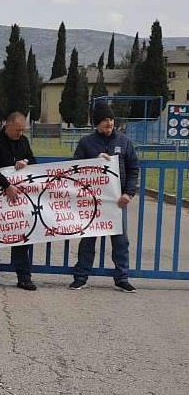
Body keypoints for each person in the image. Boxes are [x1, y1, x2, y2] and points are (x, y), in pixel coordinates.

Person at [69, 103, 138, 292]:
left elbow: (133, 169)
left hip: (117, 202)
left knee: (121, 241)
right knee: (88, 240)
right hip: (93, 202)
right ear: (97, 123)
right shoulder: (86, 143)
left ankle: (122, 278)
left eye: (111, 119)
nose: (109, 123)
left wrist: (128, 193)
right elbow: (75, 168)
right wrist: (94, 161)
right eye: (105, 119)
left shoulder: (124, 142)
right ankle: (81, 277)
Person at [0, 111, 36, 290]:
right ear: (8, 125)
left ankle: (23, 277)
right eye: (17, 129)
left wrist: (25, 161)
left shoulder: (24, 141)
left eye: (22, 130)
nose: (20, 133)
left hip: (18, 199)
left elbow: (35, 163)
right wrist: (6, 185)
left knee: (21, 236)